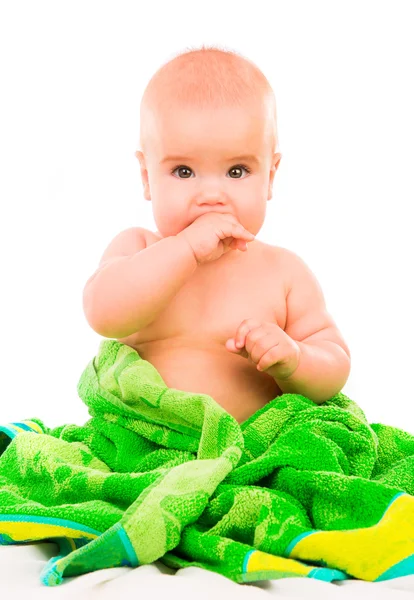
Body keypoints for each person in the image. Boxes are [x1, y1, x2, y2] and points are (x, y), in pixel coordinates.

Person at [82, 44, 351, 424]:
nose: (211, 196)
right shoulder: (138, 248)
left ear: (270, 177)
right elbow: (103, 313)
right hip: (143, 446)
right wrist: (185, 248)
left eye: (237, 171)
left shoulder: (284, 273)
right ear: (147, 177)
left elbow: (334, 366)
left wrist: (294, 360)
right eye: (184, 172)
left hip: (250, 451)